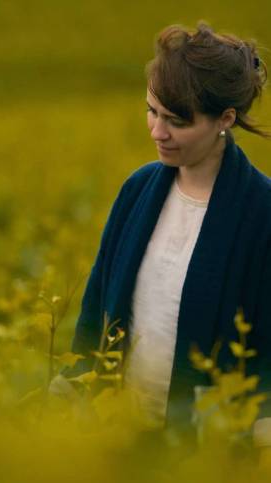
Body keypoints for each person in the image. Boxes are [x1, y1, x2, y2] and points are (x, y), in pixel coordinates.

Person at [71, 23, 271, 446]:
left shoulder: (262, 212)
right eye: (152, 111)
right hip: (118, 435)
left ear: (226, 119)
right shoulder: (139, 189)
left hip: (209, 449)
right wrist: (73, 391)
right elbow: (96, 309)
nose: (158, 132)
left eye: (177, 121)